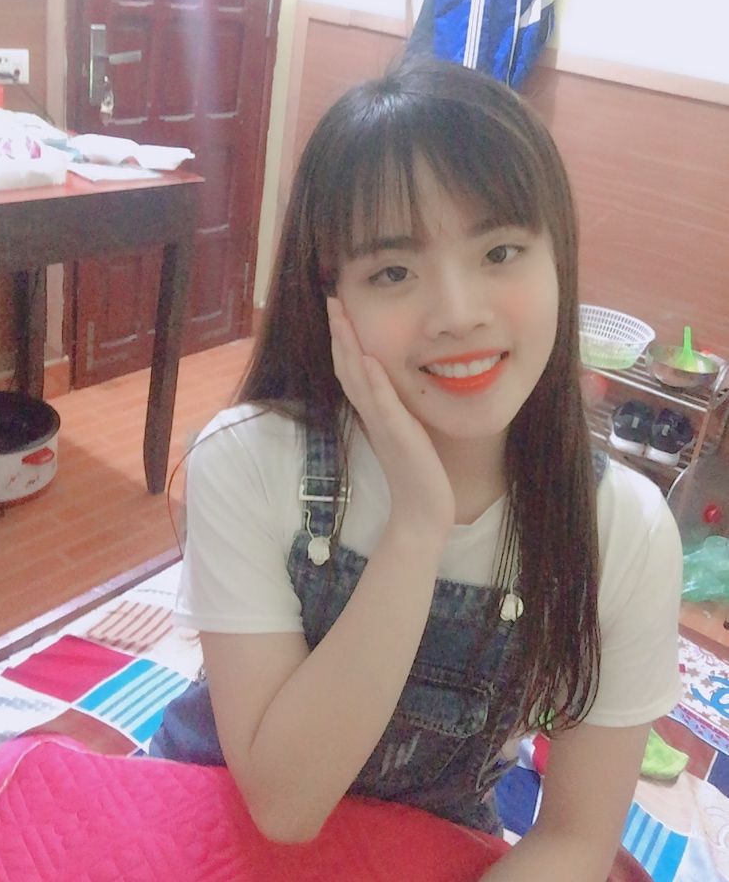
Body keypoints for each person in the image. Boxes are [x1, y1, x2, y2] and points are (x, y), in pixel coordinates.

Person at [150, 57, 683, 880]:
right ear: (331, 300)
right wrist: (417, 525)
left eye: (500, 251)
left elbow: (575, 838)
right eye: (393, 272)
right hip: (215, 823)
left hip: (427, 852)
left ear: (559, 261)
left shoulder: (626, 530)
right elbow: (285, 806)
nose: (458, 313)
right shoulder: (246, 461)